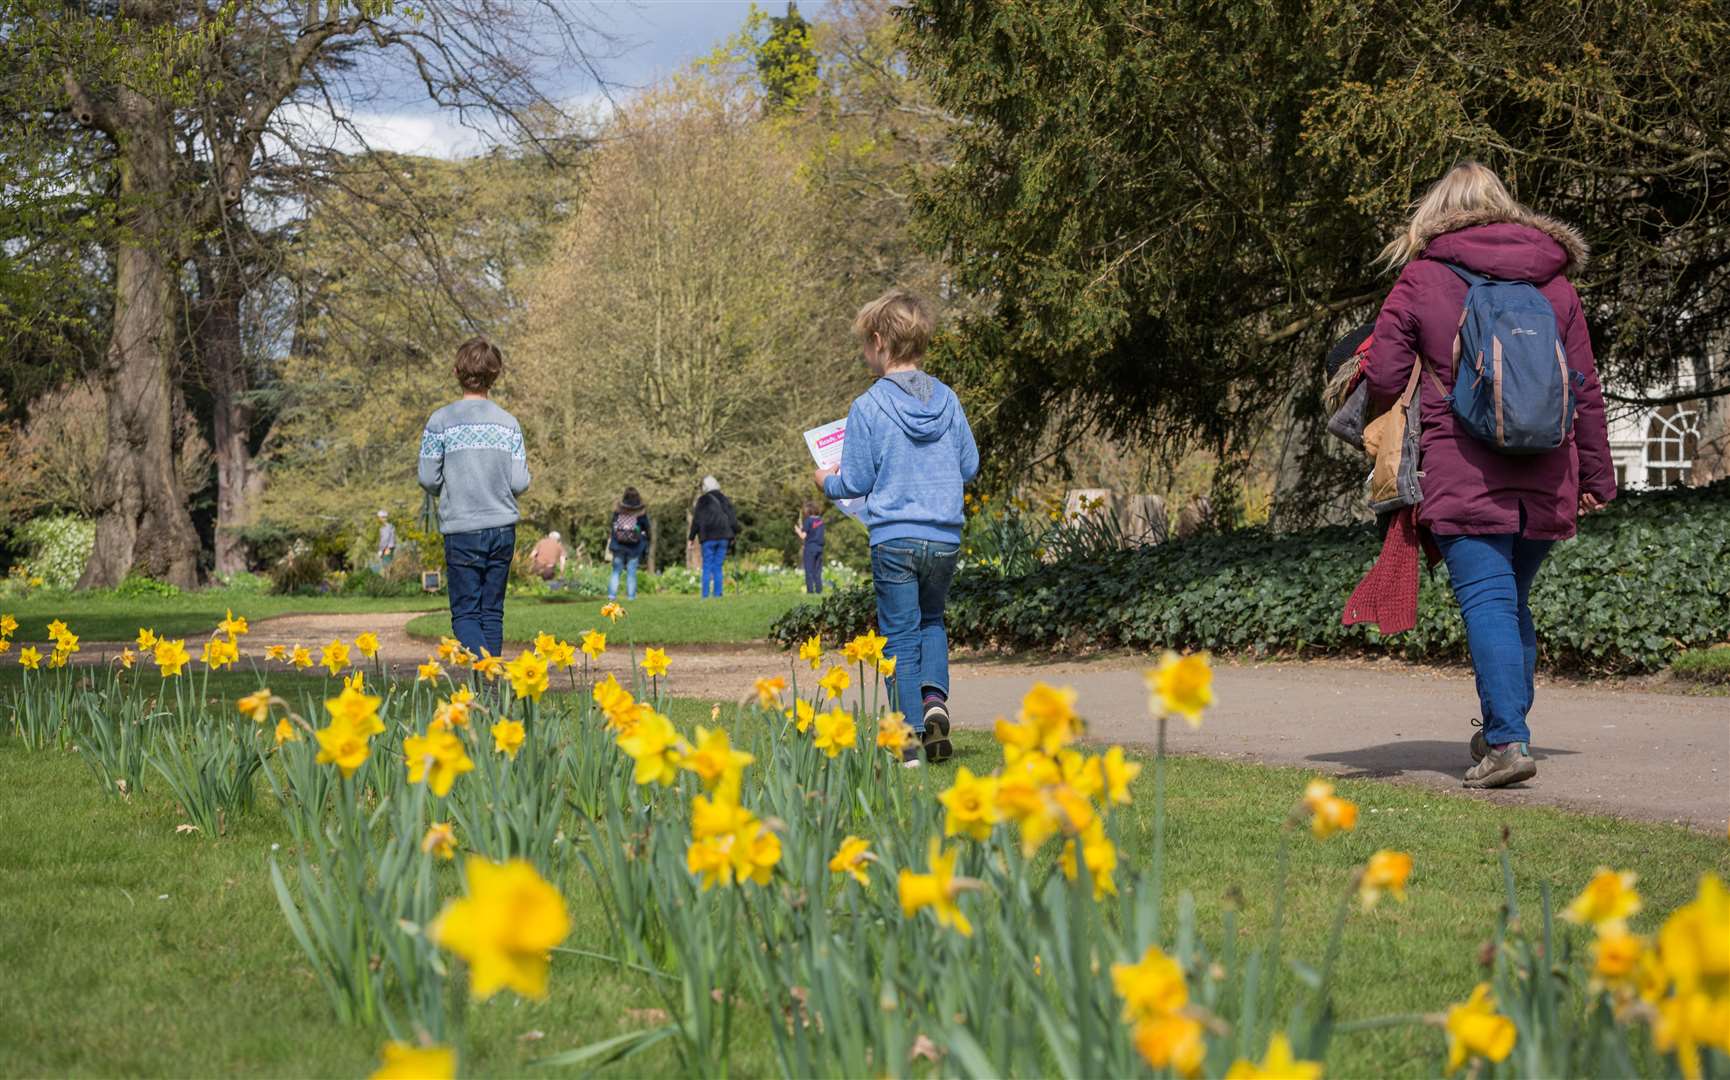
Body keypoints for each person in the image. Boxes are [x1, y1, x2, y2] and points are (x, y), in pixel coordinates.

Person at [1364, 161, 1615, 790]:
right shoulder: (1556, 283)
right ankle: (1508, 725)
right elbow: (1585, 391)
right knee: (1508, 599)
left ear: (1436, 211)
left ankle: (1506, 741)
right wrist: (1598, 478)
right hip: (1549, 472)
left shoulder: (1422, 277)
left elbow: (1386, 377)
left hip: (1463, 467)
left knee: (1489, 600)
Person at [816, 288, 978, 767]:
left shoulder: (868, 406)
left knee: (899, 636)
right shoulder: (946, 399)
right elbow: (968, 465)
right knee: (932, 621)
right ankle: (933, 704)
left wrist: (828, 481)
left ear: (881, 341)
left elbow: (858, 480)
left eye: (865, 343)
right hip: (945, 536)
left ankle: (907, 743)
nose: (864, 352)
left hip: (894, 538)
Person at [417, 336, 530, 661]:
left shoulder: (441, 421)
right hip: (501, 529)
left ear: (456, 372)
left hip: (462, 528)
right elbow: (520, 482)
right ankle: (490, 690)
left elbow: (427, 477)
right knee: (492, 613)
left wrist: (448, 488)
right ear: (495, 376)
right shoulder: (509, 424)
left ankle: (486, 672)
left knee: (466, 615)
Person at [688, 476, 737, 599]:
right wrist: (735, 533)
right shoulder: (724, 499)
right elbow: (732, 518)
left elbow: (696, 521)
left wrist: (691, 538)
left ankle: (705, 595)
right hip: (723, 537)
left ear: (705, 487)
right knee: (718, 566)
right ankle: (718, 594)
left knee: (707, 566)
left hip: (708, 537)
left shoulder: (702, 500)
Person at [607, 488, 651, 601]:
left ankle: (612, 595)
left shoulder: (618, 509)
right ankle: (631, 596)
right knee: (631, 571)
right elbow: (646, 527)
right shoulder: (641, 511)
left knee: (616, 571)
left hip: (618, 544)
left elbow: (613, 525)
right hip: (634, 546)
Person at [793, 500, 826, 594]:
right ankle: (819, 590)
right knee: (817, 571)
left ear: (807, 511)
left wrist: (797, 530)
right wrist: (802, 527)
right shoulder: (820, 521)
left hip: (810, 548)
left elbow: (803, 536)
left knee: (809, 570)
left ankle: (810, 591)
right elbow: (814, 530)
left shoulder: (808, 521)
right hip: (819, 548)